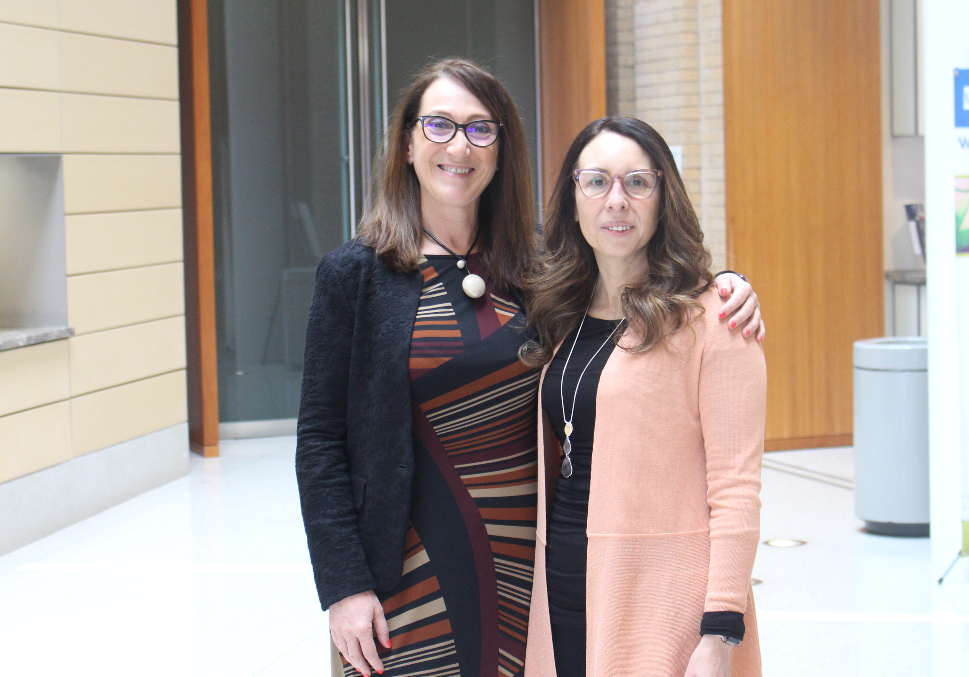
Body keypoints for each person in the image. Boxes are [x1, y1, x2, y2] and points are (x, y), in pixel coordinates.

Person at [295, 59, 764, 677]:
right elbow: (321, 444)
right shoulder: (356, 276)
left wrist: (727, 284)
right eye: (438, 126)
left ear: (500, 150)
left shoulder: (538, 275)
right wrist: (343, 586)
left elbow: (633, 298)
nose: (458, 146)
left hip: (531, 576)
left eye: (480, 129)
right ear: (407, 144)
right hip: (404, 573)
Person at [520, 117, 767, 677]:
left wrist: (721, 629)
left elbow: (737, 487)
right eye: (597, 182)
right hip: (565, 573)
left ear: (663, 198)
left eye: (637, 183)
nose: (617, 201)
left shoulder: (714, 319)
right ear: (573, 200)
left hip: (663, 593)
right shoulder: (558, 312)